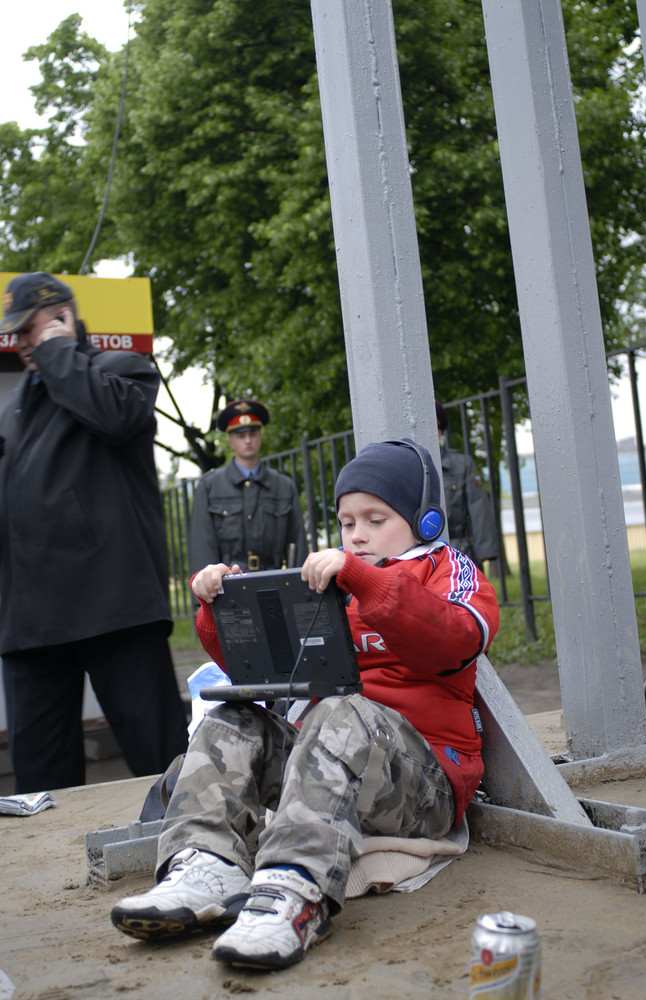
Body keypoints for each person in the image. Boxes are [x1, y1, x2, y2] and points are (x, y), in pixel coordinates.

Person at [111, 438, 499, 971]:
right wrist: (217, 608)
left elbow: (454, 638)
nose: (357, 534)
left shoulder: (446, 570)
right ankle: (206, 865)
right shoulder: (333, 579)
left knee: (341, 709)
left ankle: (293, 892)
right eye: (346, 522)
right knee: (232, 719)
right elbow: (264, 671)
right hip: (333, 764)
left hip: (422, 783)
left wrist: (364, 579)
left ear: (424, 521)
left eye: (375, 518)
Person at [0, 271, 188, 793]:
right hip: (31, 623)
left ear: (64, 318)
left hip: (112, 607)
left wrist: (60, 351)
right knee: (39, 783)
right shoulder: (15, 409)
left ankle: (202, 855)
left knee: (160, 761)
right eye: (14, 332)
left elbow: (115, 416)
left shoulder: (120, 369)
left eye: (28, 330)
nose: (20, 343)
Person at [187, 398, 308, 576]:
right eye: (240, 436)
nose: (248, 440)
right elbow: (202, 548)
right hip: (227, 588)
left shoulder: (283, 486)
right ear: (230, 442)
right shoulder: (210, 487)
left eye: (253, 433)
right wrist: (204, 598)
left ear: (260, 437)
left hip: (275, 584)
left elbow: (298, 547)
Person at [436, 400, 499, 568]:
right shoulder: (407, 466)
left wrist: (485, 551)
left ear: (440, 431)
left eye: (435, 427)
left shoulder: (461, 464)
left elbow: (478, 507)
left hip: (458, 551)